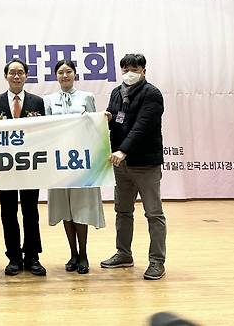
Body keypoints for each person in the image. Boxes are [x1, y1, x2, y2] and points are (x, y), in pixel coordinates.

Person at [101, 53, 167, 280]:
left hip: (145, 163)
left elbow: (142, 126)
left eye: (134, 68)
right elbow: (115, 121)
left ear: (143, 71)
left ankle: (157, 261)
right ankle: (123, 253)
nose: (130, 73)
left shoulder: (152, 94)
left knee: (154, 213)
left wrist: (123, 150)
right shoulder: (116, 92)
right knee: (122, 210)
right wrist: (104, 119)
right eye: (126, 69)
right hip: (121, 165)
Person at [43, 59, 105, 275]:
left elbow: (95, 127)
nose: (65, 75)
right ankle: (72, 253)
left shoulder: (86, 97)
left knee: (81, 207)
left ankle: (84, 254)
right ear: (56, 76)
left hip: (82, 161)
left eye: (68, 71)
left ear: (75, 74)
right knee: (65, 208)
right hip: (59, 162)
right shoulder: (48, 100)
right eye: (60, 72)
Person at [0, 58, 46, 276]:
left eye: (20, 72)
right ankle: (13, 256)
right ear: (6, 76)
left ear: (26, 76)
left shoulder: (37, 102)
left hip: (29, 165)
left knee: (31, 212)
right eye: (12, 72)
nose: (16, 76)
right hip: (5, 167)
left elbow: (43, 134)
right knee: (8, 212)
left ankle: (32, 256)